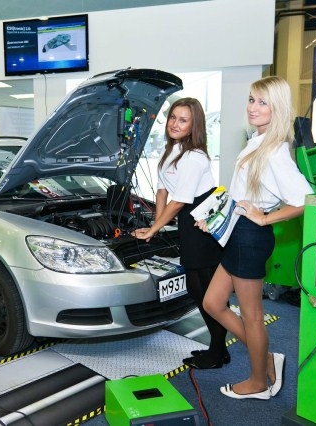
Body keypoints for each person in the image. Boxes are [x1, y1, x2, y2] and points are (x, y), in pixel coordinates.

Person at [200, 76, 313, 400]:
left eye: (262, 102)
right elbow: (240, 194)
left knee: (252, 316)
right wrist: (215, 220)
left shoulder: (275, 150)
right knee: (212, 303)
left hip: (251, 236)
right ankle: (265, 360)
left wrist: (265, 217)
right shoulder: (257, 141)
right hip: (238, 232)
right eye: (251, 99)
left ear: (276, 107)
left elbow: (305, 199)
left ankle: (258, 381)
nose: (253, 107)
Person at [132, 97, 228, 368]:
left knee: (206, 293)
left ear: (194, 124)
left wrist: (155, 227)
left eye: (183, 119)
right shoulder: (171, 149)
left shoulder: (194, 157)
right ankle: (218, 348)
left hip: (202, 224)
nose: (175, 124)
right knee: (199, 290)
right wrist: (155, 223)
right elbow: (162, 191)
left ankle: (217, 350)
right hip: (188, 220)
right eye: (173, 117)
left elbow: (181, 199)